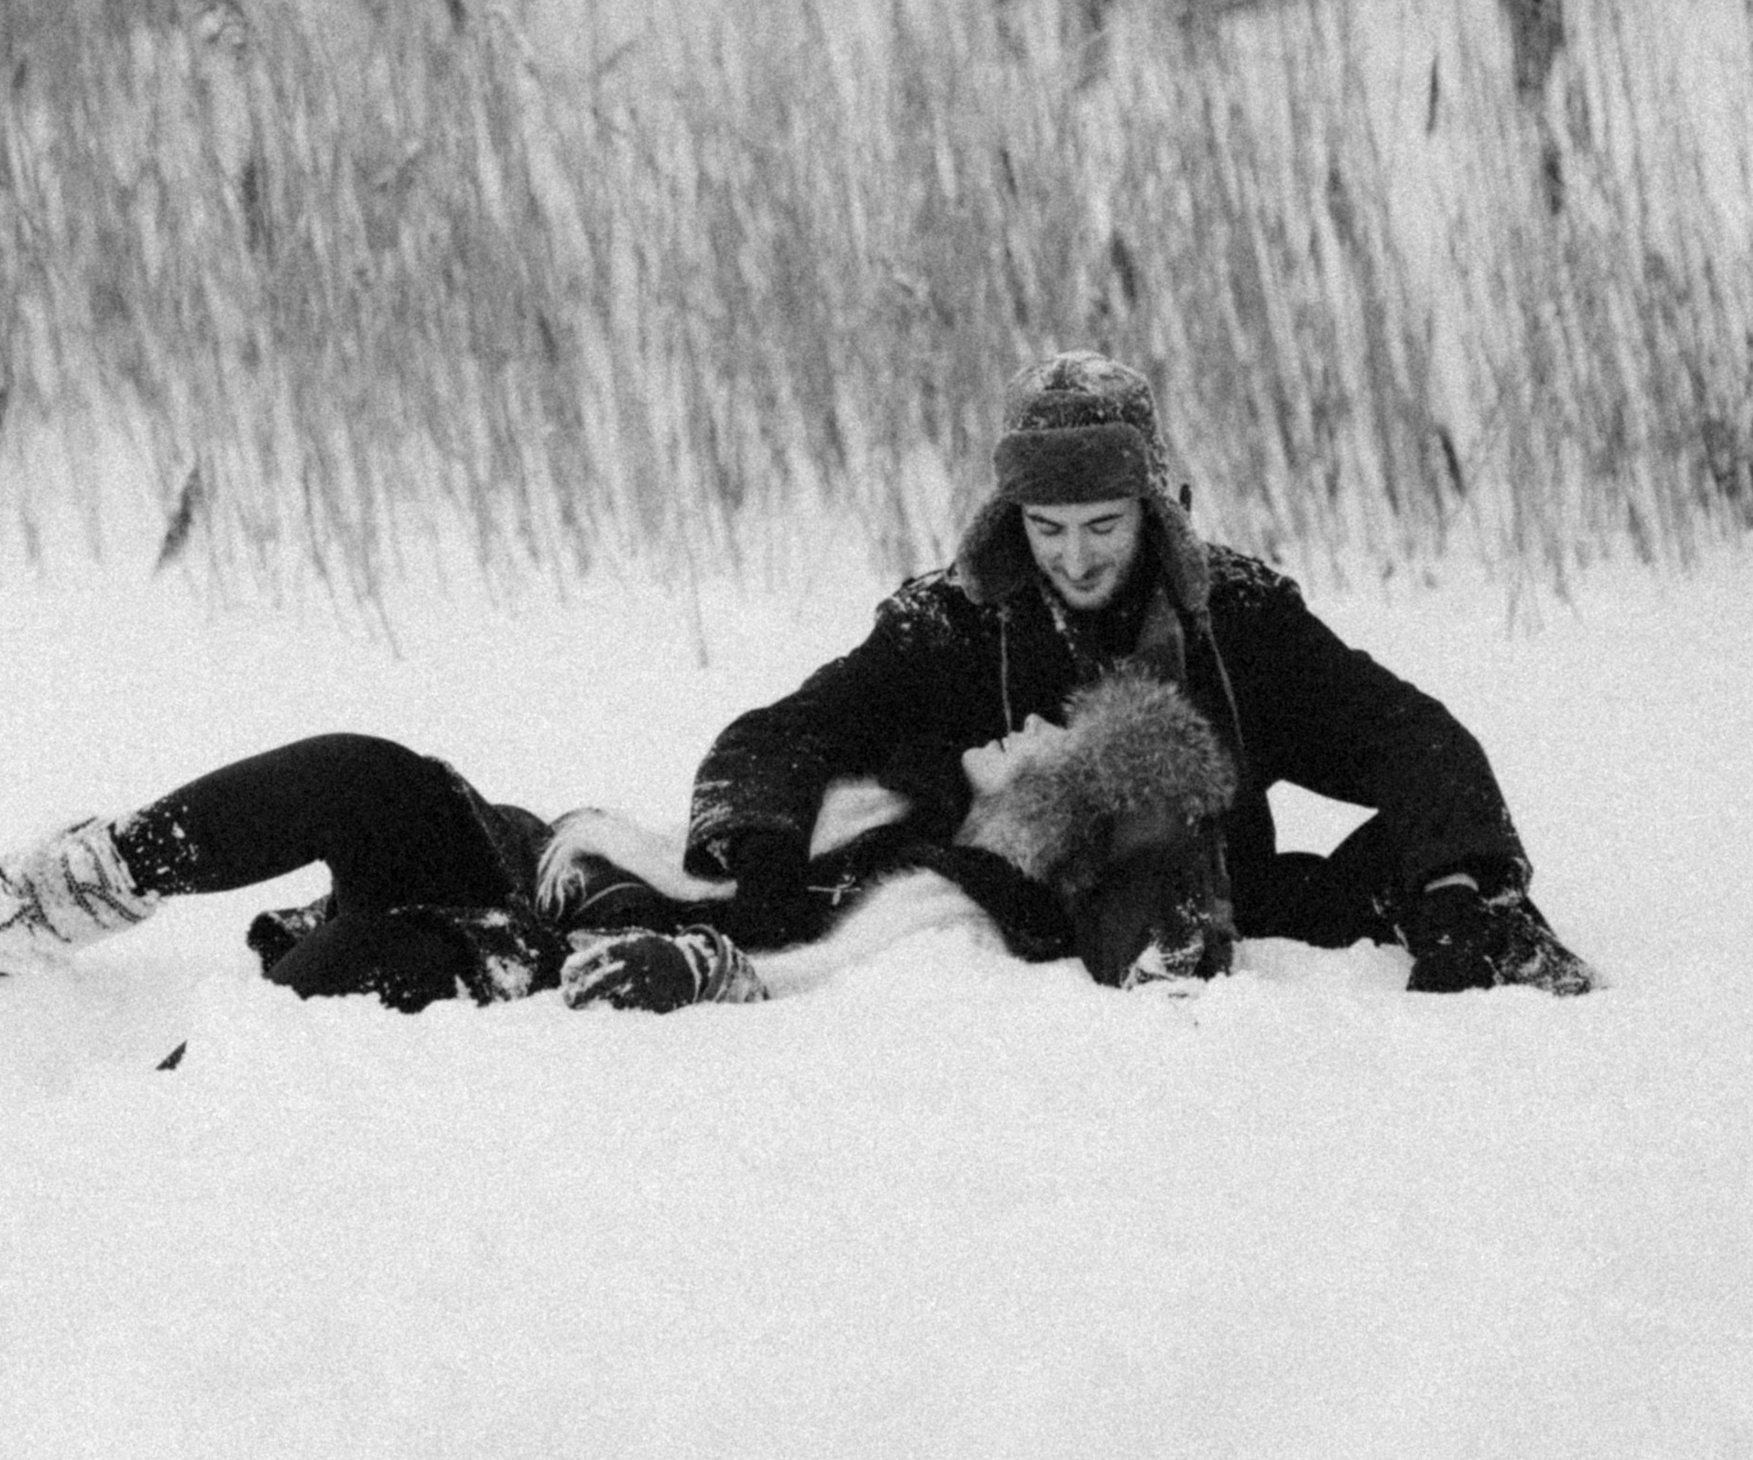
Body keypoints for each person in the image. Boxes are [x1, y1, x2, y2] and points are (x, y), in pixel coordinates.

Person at [685, 348, 1598, 997]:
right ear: (1011, 524)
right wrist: (756, 858)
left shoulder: (1236, 618)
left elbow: (1408, 737)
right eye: (1047, 529)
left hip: (1223, 901)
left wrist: (1449, 886)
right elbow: (782, 734)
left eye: (1103, 526)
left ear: (1153, 514)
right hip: (1023, 919)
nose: (1074, 559)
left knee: (1433, 866)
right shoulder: (953, 622)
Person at [0, 652, 1239, 1017]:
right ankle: (66, 894)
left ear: (1049, 802)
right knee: (363, 769)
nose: (1020, 730)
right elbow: (758, 762)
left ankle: (141, 1131)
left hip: (533, 948)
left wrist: (685, 958)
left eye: (1051, 744)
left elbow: (812, 970)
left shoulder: (950, 890)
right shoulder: (913, 789)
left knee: (354, 978)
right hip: (531, 861)